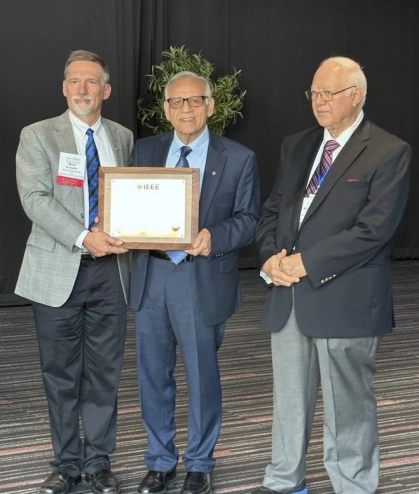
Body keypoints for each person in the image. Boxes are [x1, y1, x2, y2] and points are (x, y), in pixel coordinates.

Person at [252, 56, 411, 494]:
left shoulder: (388, 150)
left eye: (329, 94)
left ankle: (354, 485)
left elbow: (374, 231)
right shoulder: (296, 145)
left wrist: (306, 263)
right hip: (287, 294)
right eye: (314, 94)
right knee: (289, 403)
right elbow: (273, 211)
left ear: (356, 95)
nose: (319, 102)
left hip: (345, 297)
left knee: (348, 405)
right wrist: (268, 259)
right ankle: (285, 482)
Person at [130, 71, 260, 494]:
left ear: (210, 105)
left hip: (199, 276)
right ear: (166, 110)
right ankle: (160, 461)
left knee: (202, 375)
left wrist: (213, 238)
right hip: (151, 274)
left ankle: (200, 464)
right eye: (177, 102)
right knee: (153, 373)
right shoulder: (145, 150)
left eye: (195, 100)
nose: (186, 109)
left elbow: (249, 220)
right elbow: (129, 205)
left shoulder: (239, 157)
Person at [15, 50, 133, 494]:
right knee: (60, 372)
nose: (83, 89)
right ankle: (66, 464)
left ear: (106, 90)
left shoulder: (122, 137)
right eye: (74, 82)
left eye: (92, 82)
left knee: (105, 370)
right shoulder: (38, 135)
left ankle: (99, 461)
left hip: (111, 273)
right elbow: (35, 199)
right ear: (65, 88)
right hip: (57, 268)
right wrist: (85, 237)